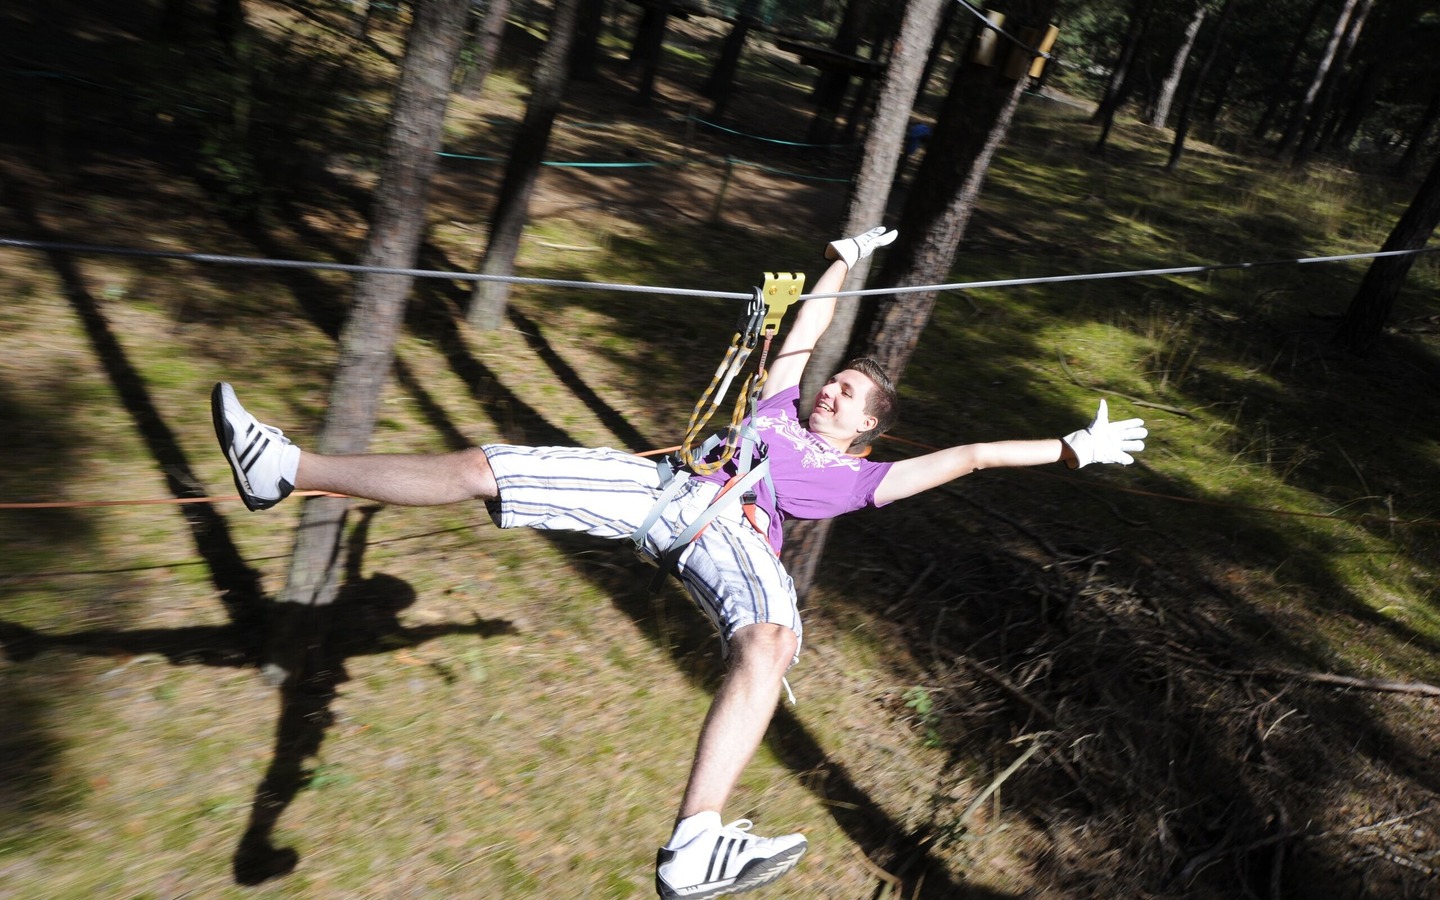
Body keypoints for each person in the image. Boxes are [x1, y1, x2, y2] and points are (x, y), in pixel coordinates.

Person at [211, 227, 1147, 899]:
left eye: (852, 397)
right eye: (837, 387)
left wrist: (1070, 448)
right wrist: (842, 261)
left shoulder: (857, 480)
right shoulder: (782, 410)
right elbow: (808, 338)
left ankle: (694, 841)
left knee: (771, 641)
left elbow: (973, 456)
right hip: (663, 490)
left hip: (737, 537)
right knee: (477, 467)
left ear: (868, 432)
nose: (834, 396)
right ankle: (283, 467)